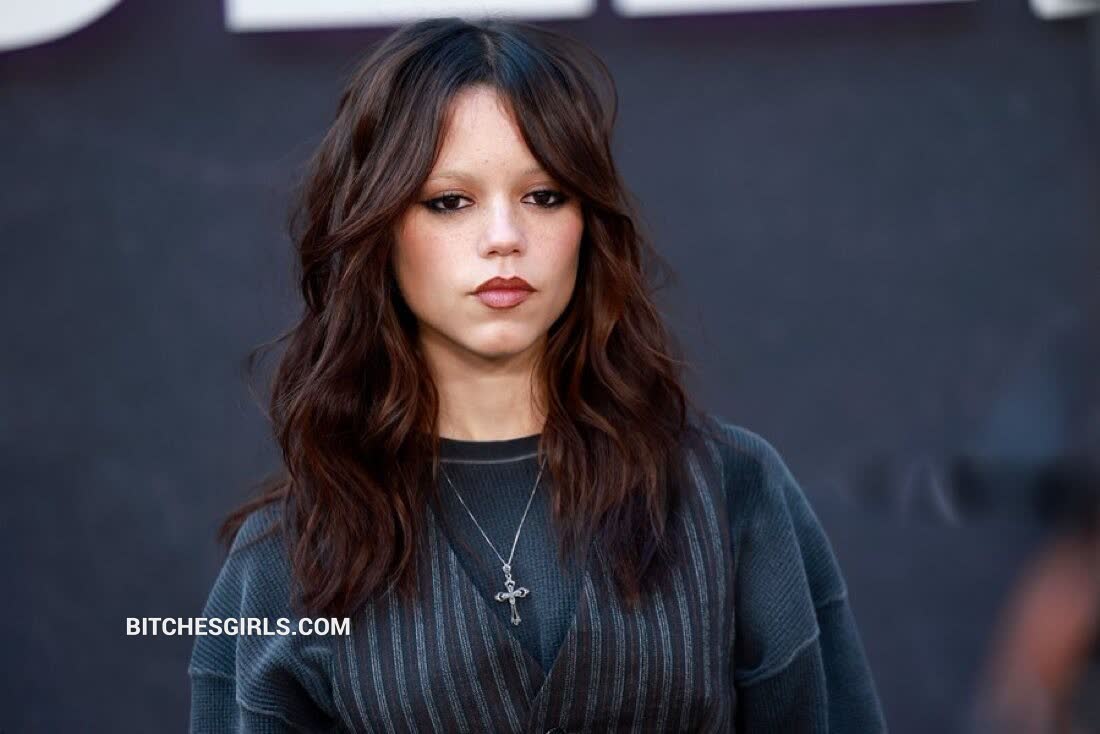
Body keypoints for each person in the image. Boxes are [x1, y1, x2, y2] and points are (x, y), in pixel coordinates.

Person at [187, 17, 886, 733]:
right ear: (380, 230)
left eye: (544, 196)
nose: (504, 239)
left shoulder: (731, 493)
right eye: (449, 201)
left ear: (589, 224)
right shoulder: (285, 558)